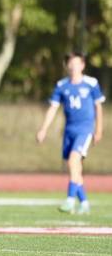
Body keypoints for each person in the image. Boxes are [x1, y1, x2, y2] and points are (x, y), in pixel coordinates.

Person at [37, 51, 105, 214]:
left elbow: (98, 107)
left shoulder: (91, 83)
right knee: (75, 169)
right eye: (71, 63)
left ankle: (70, 199)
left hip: (85, 129)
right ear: (67, 66)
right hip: (69, 130)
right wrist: (43, 129)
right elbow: (53, 108)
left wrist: (99, 129)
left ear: (82, 65)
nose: (73, 67)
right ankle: (85, 203)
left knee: (73, 161)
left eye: (77, 63)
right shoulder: (62, 86)